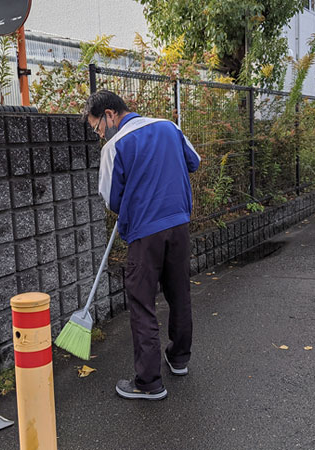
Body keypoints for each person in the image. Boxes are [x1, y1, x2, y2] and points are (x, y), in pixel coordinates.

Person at [83, 90, 201, 401]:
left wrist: (135, 191)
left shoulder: (115, 147)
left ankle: (148, 383)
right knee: (180, 293)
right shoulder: (169, 127)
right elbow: (194, 162)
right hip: (178, 225)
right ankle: (179, 360)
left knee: (142, 304)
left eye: (97, 127)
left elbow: (111, 199)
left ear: (110, 115)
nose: (99, 134)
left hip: (145, 234)